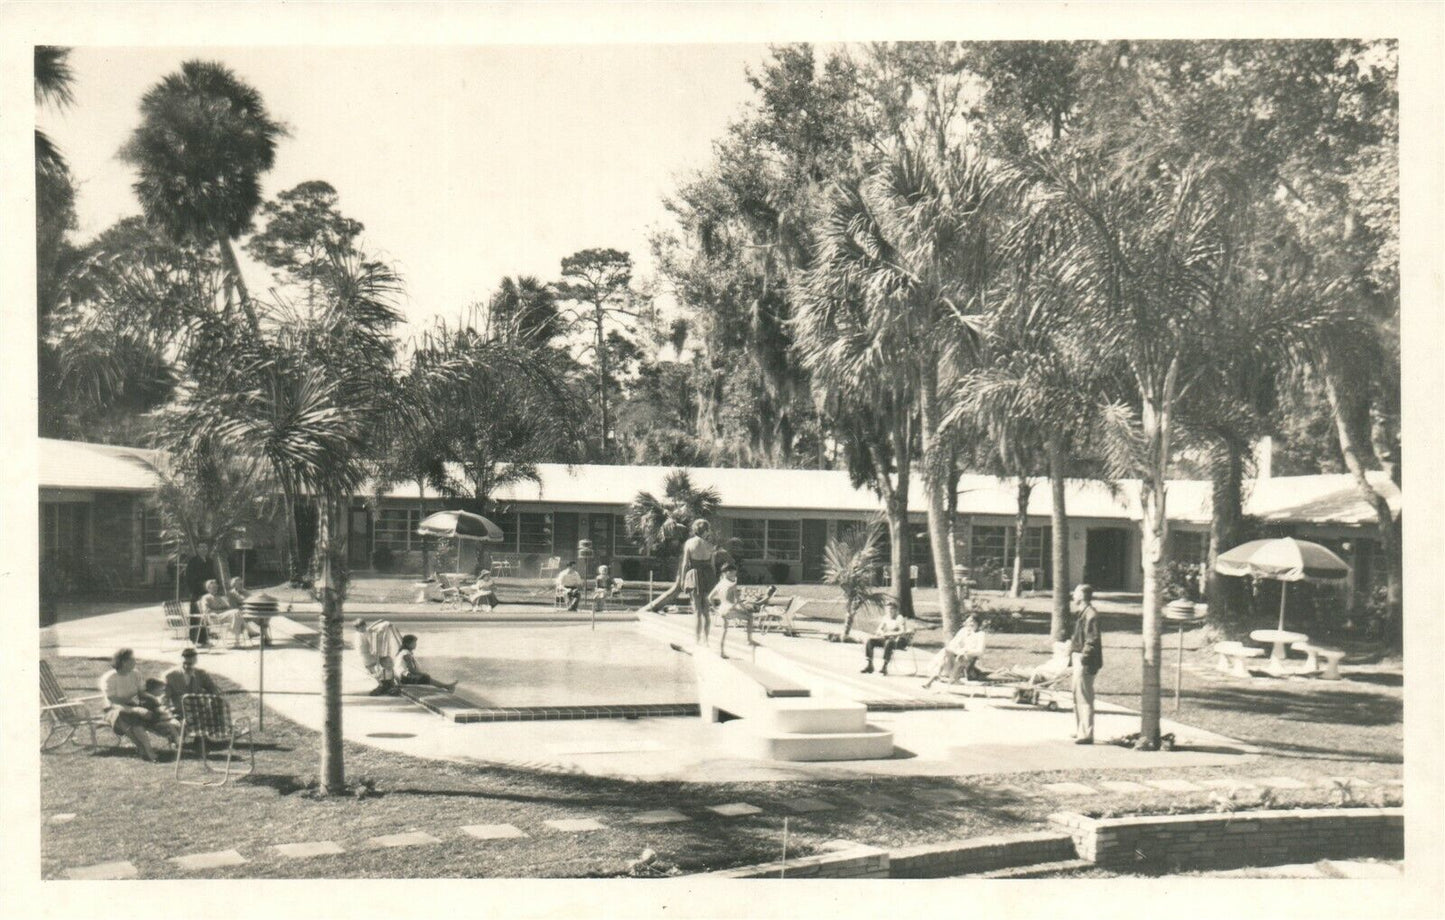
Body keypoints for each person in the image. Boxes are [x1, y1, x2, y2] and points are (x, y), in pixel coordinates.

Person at [100, 648, 180, 761]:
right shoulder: (110, 678)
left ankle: (144, 749)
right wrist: (135, 709)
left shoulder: (135, 673)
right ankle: (147, 750)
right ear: (124, 662)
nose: (135, 661)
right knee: (125, 716)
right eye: (132, 659)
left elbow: (141, 693)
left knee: (136, 718)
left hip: (132, 705)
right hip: (113, 708)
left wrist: (155, 700)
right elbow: (113, 701)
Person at [709, 565, 773, 659]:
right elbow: (738, 600)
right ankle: (749, 640)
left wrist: (715, 609)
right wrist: (745, 609)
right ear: (727, 573)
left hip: (722, 610)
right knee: (750, 617)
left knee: (724, 630)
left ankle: (721, 652)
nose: (734, 575)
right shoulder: (732, 584)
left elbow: (709, 598)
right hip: (730, 609)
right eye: (733, 573)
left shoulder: (719, 584)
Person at [1069, 583, 1102, 744]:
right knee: (1077, 695)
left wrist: (1083, 659)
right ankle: (1079, 730)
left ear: (1081, 596)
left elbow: (1092, 640)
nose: (1073, 596)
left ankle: (1087, 734)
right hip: (1078, 658)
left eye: (1075, 593)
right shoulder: (1083, 613)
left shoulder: (1091, 615)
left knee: (1084, 697)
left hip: (1085, 660)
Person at [923, 611, 985, 689]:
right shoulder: (963, 631)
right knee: (946, 651)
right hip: (957, 654)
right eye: (968, 622)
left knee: (958, 657)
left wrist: (966, 652)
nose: (970, 624)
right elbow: (952, 644)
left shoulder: (980, 634)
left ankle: (945, 678)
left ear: (978, 623)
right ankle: (936, 675)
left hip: (969, 659)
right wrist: (957, 649)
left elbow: (980, 651)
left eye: (973, 622)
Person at [681, 519, 719, 646]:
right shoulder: (710, 545)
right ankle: (706, 640)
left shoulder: (689, 543)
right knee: (706, 611)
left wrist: (682, 579)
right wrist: (714, 581)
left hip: (695, 576)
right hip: (708, 576)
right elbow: (713, 566)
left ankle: (696, 641)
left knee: (697, 611)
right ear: (706, 530)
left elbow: (686, 563)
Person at [162, 646, 220, 716]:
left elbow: (214, 689)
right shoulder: (169, 676)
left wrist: (210, 701)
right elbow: (165, 698)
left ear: (196, 660)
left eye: (193, 659)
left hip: (200, 712)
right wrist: (168, 713)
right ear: (181, 659)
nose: (189, 664)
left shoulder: (201, 673)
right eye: (186, 660)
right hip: (180, 712)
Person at [395, 634, 459, 692]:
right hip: (404, 678)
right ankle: (446, 687)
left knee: (425, 677)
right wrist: (422, 673)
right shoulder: (406, 653)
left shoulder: (402, 652)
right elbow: (411, 670)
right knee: (425, 677)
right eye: (414, 643)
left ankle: (446, 686)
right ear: (408, 644)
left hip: (402, 677)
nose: (415, 645)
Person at [862, 599, 910, 676]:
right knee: (870, 641)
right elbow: (879, 629)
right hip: (887, 638)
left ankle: (885, 666)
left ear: (896, 610)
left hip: (899, 641)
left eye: (892, 609)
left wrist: (890, 633)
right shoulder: (886, 618)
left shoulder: (899, 618)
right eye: (888, 609)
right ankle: (870, 664)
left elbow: (903, 631)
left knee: (889, 642)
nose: (889, 611)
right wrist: (882, 632)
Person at [353, 618, 401, 696]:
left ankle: (384, 682)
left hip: (367, 654)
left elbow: (370, 629)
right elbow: (370, 630)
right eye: (361, 628)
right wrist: (380, 624)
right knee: (372, 669)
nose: (363, 628)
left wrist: (379, 621)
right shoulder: (362, 633)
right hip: (364, 655)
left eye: (364, 626)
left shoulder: (362, 632)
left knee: (376, 668)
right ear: (357, 628)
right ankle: (382, 682)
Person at [183, 542, 214, 646]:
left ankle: (205, 639)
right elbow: (190, 578)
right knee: (197, 617)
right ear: (197, 549)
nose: (204, 549)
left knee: (206, 616)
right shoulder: (193, 562)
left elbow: (213, 576)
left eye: (205, 547)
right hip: (197, 593)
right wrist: (202, 585)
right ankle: (195, 640)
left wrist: (212, 586)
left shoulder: (209, 561)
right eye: (201, 547)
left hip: (208, 593)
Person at [227, 576, 272, 644]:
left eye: (241, 582)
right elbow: (233, 607)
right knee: (262, 617)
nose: (241, 584)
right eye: (238, 583)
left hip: (251, 612)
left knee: (266, 615)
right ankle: (266, 637)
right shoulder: (231, 594)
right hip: (241, 614)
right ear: (234, 585)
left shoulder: (244, 591)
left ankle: (265, 636)